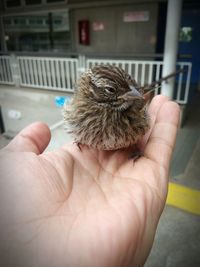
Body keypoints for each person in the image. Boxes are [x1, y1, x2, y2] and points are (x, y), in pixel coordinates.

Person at [0, 95, 180, 267]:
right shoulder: (80, 109)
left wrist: (137, 148)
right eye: (111, 91)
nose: (132, 95)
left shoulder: (132, 110)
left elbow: (140, 118)